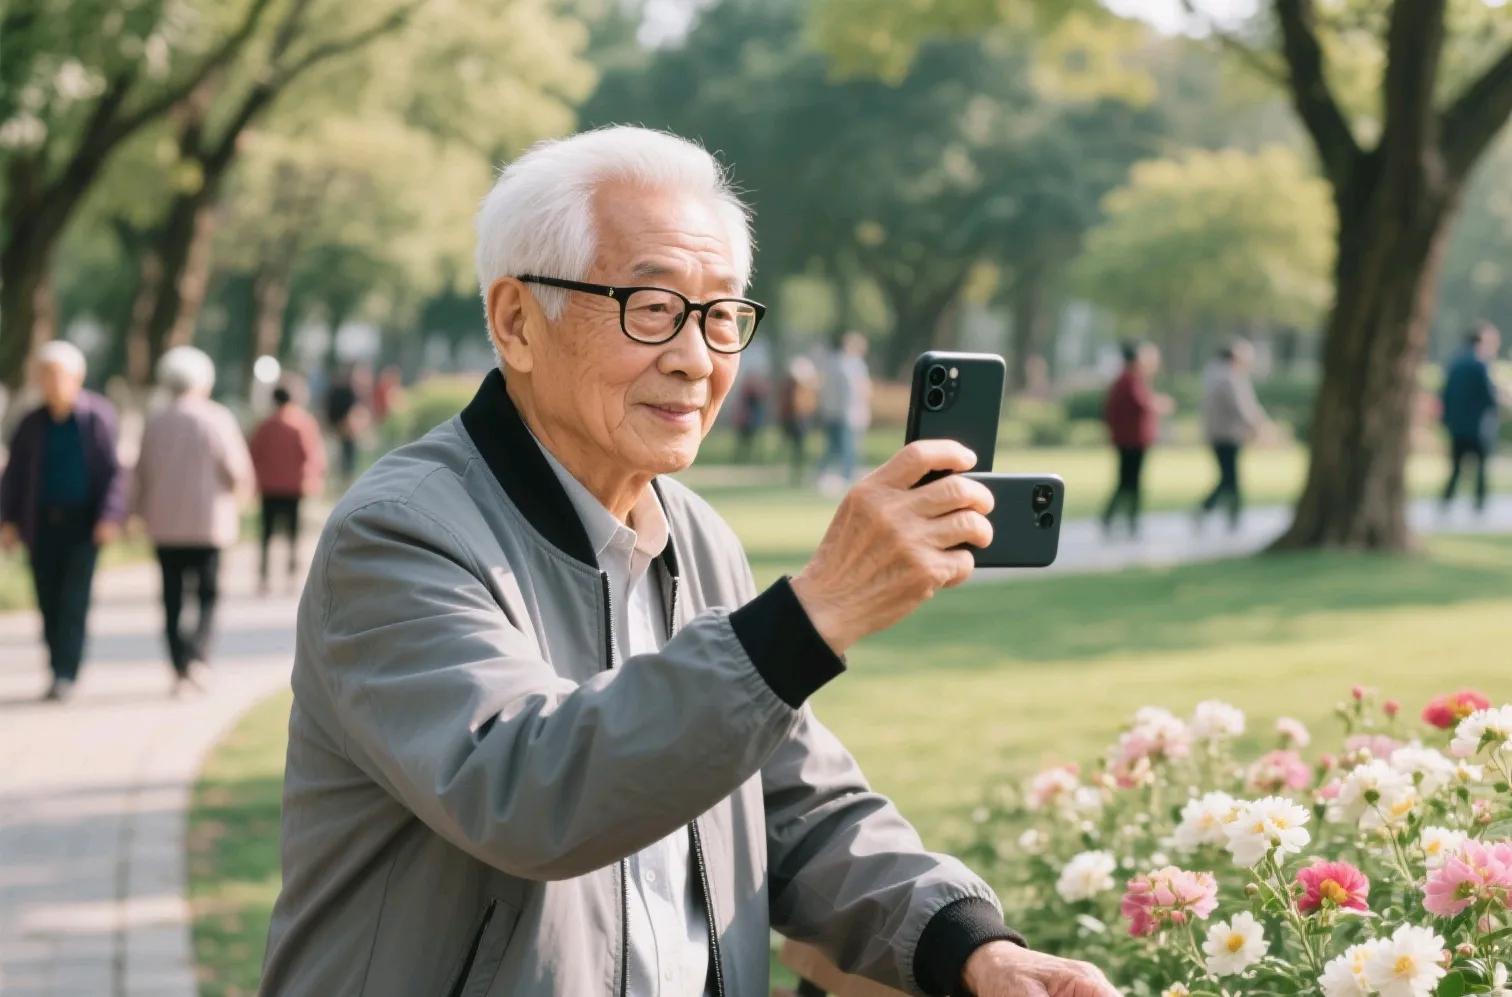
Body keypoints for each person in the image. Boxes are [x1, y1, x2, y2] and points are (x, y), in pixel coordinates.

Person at [261, 127, 1115, 997]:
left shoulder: (698, 537)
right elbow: (524, 789)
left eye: (719, 316)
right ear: (517, 322)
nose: (697, 360)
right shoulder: (400, 535)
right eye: (653, 307)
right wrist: (816, 610)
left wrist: (968, 944)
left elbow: (794, 805)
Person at [0, 342, 125, 702]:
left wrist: (109, 517)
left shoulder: (96, 417)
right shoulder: (30, 423)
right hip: (40, 524)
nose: (50, 382)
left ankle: (66, 672)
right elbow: (14, 475)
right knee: (47, 598)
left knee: (74, 599)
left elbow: (114, 472)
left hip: (84, 525)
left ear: (77, 378)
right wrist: (8, 520)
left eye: (57, 375)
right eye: (44, 375)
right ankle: (56, 665)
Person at [132, 346, 254, 695]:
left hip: (165, 527)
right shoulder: (217, 418)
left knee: (171, 597)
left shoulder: (155, 421)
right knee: (207, 595)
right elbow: (236, 471)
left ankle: (178, 663)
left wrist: (136, 512)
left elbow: (140, 473)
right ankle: (198, 657)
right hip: (208, 527)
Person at [249, 384, 327, 594]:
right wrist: (314, 479)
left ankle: (264, 576)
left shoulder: (265, 425)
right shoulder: (302, 424)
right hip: (294, 487)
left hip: (269, 486)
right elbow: (312, 455)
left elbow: (254, 453)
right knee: (293, 533)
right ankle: (291, 574)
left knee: (266, 533)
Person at [1100, 341, 1171, 538]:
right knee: (1129, 482)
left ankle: (1120, 517)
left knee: (1127, 481)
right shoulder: (1129, 380)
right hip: (1132, 441)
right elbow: (1143, 404)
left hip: (1131, 440)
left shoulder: (1129, 380)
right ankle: (1127, 518)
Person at [1196, 339, 1268, 532]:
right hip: (1227, 435)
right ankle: (1225, 514)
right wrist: (1259, 426)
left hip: (1221, 434)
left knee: (1229, 477)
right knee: (1230, 478)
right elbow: (1243, 408)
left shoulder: (1217, 374)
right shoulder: (1229, 377)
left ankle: (1226, 514)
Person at [1441, 323, 1502, 513]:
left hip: (1457, 424)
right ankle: (1479, 504)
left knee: (1456, 466)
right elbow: (1488, 395)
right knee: (1481, 467)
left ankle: (1446, 500)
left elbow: (1446, 395)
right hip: (1477, 425)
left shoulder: (1455, 363)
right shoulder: (1479, 364)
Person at [815, 330, 872, 493]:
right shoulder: (851, 365)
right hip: (846, 413)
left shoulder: (837, 363)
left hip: (838, 412)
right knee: (846, 448)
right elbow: (861, 390)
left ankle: (828, 474)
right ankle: (843, 478)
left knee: (837, 447)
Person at [777, 354, 820, 484]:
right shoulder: (792, 386)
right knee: (797, 448)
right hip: (795, 420)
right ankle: (796, 473)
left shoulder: (802, 387)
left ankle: (798, 473)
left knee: (799, 449)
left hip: (800, 419)